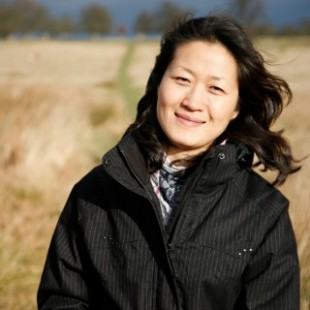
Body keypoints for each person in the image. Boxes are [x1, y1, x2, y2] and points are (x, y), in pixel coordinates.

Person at [37, 14, 301, 310]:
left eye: (215, 89)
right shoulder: (94, 194)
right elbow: (62, 299)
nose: (192, 101)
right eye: (182, 80)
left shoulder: (263, 213)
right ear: (159, 83)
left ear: (237, 107)